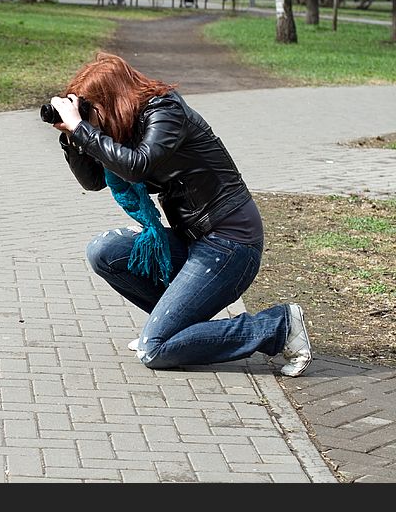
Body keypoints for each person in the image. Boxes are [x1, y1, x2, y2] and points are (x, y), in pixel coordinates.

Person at [47, 51, 312, 376]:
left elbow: (137, 165)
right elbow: (92, 181)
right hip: (194, 241)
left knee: (154, 350)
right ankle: (176, 328)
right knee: (103, 251)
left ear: (112, 100)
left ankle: (278, 325)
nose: (88, 119)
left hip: (230, 246)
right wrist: (72, 138)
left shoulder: (165, 110)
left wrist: (82, 130)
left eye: (91, 111)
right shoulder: (124, 127)